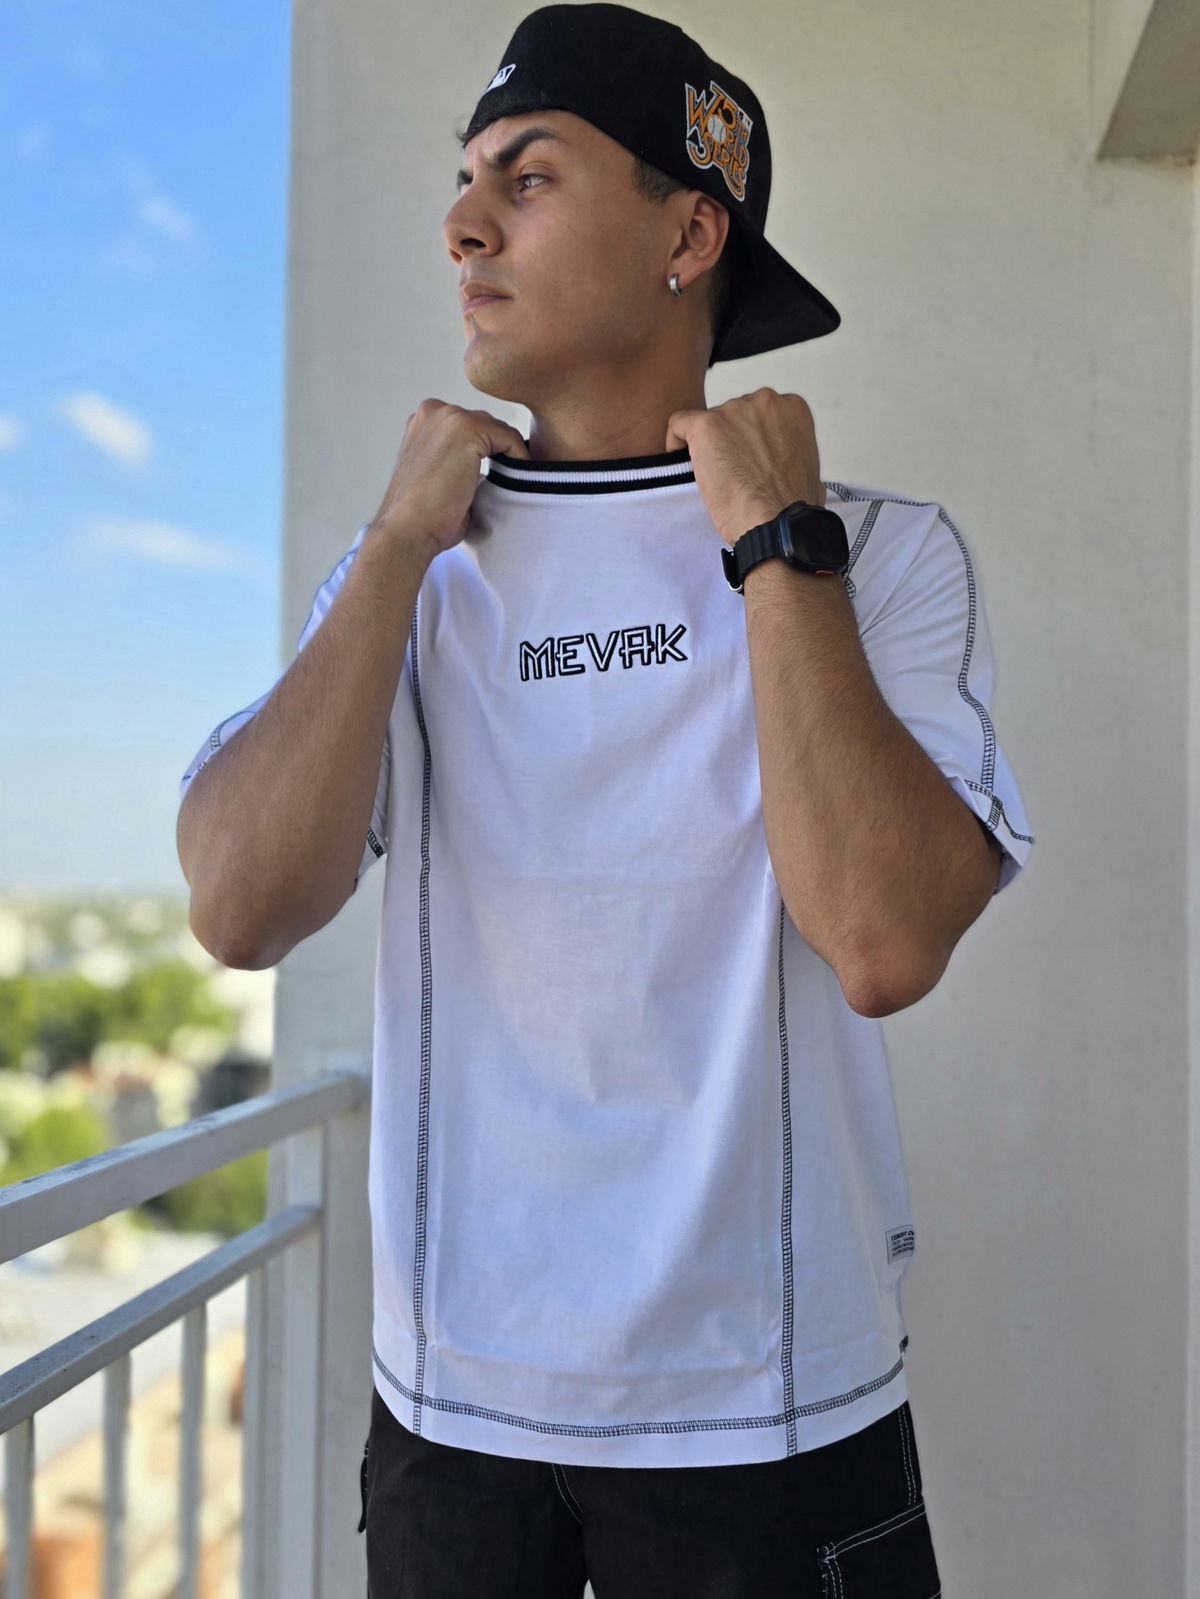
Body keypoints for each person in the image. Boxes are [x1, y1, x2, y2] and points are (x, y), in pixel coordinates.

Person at [176, 4, 1035, 1593]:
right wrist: (391, 550)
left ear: (689, 234)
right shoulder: (416, 571)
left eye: (529, 175)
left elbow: (883, 939)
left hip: (771, 1414)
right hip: (451, 1421)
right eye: (462, 180)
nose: (463, 222)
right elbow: (238, 906)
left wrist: (778, 547)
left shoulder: (877, 553)